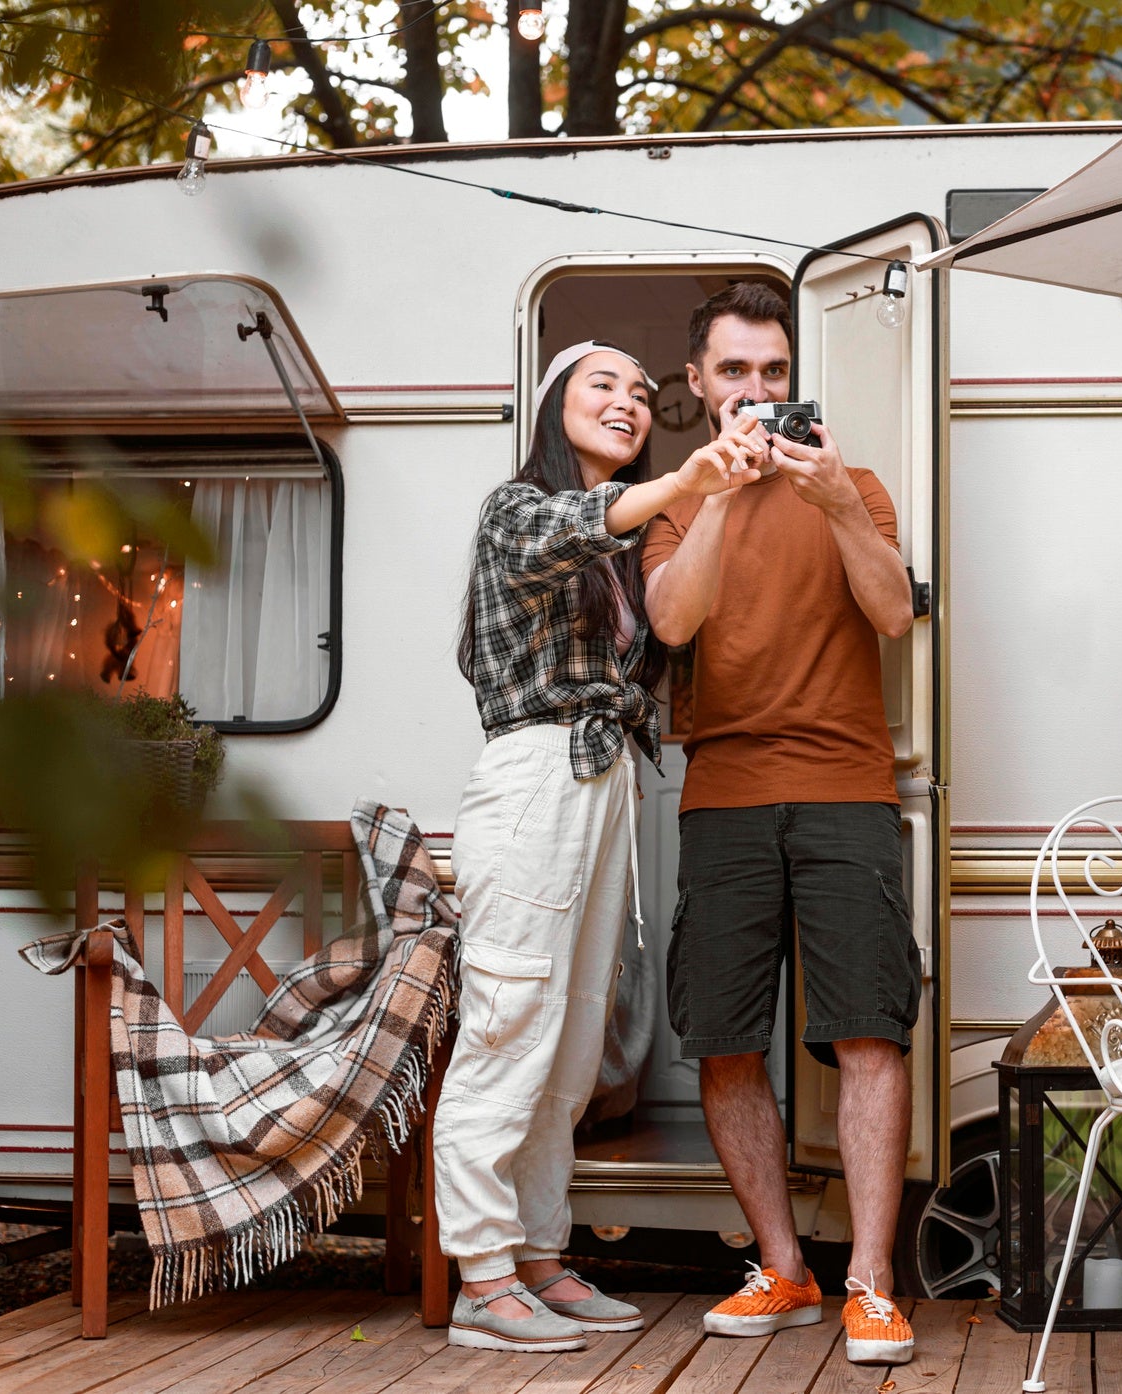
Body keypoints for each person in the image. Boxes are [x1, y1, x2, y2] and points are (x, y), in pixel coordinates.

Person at [438, 340, 760, 1354]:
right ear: (551, 407)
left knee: (574, 1039)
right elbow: (571, 525)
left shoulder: (624, 540)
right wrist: (686, 477)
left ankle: (538, 1254)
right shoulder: (517, 507)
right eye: (599, 385)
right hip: (536, 774)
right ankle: (480, 1277)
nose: (625, 401)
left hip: (604, 779)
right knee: (509, 1020)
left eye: (635, 390)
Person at [642, 283, 921, 1365]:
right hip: (722, 791)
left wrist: (836, 502)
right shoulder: (677, 498)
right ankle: (784, 1266)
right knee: (721, 1036)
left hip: (847, 781)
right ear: (701, 383)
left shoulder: (853, 487)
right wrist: (716, 489)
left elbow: (893, 611)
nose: (756, 392)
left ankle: (870, 1280)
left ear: (791, 376)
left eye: (771, 372)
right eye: (735, 373)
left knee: (868, 1030)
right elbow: (673, 618)